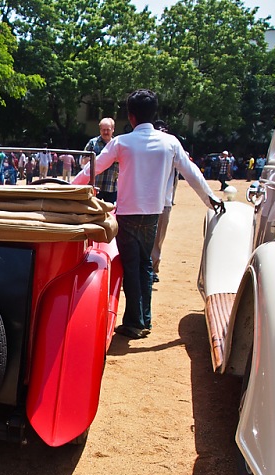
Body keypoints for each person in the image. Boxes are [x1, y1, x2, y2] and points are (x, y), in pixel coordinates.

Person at [73, 89, 225, 340]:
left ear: (130, 117)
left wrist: (68, 188)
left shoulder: (121, 142)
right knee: (145, 265)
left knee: (132, 266)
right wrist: (212, 200)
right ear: (154, 114)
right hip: (154, 213)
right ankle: (144, 319)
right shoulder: (170, 142)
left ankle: (135, 321)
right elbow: (192, 173)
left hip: (128, 214)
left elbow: (94, 168)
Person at [150, 120, 179, 284]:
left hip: (165, 201)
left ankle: (153, 269)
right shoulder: (151, 150)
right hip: (146, 201)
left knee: (158, 237)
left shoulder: (173, 148)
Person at [83, 118, 119, 203]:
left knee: (111, 213)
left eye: (108, 130)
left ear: (113, 129)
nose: (105, 132)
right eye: (103, 130)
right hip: (95, 186)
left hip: (111, 186)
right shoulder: (92, 143)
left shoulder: (117, 144)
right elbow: (84, 160)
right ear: (100, 130)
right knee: (93, 211)